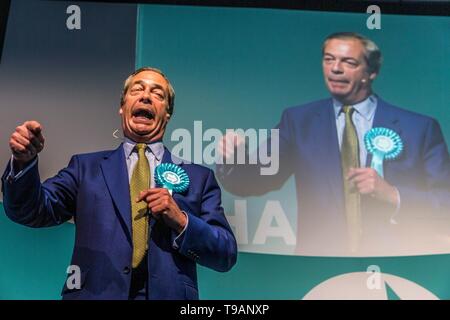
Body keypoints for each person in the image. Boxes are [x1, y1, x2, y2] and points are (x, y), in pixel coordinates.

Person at [1, 67, 237, 300]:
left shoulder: (199, 178)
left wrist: (181, 220)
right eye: (137, 89)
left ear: (167, 113)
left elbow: (225, 253)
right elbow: (30, 210)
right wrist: (24, 162)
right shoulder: (85, 168)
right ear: (122, 107)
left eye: (157, 94)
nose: (146, 96)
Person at [217, 32, 450, 256]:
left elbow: (445, 202)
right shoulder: (298, 121)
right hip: (320, 268)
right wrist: (234, 160)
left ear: (371, 71)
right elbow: (255, 181)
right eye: (329, 59)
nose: (335, 68)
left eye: (348, 62)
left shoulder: (420, 128)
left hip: (399, 264)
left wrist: (393, 195)